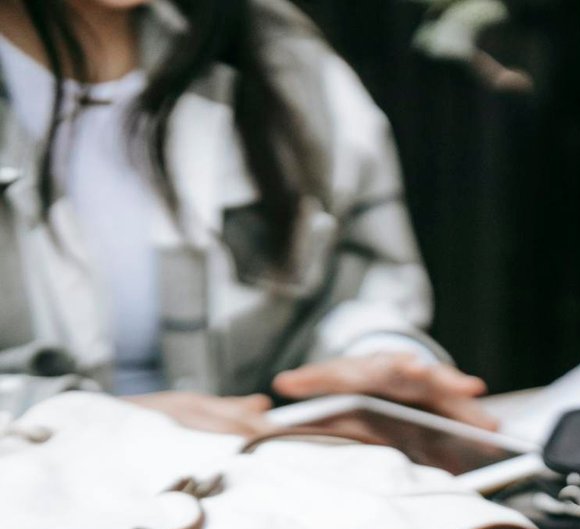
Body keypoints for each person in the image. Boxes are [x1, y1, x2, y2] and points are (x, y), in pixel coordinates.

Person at [0, 0, 494, 433]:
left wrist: (377, 362)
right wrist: (99, 427)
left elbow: (358, 278)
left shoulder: (273, 49)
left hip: (257, 495)